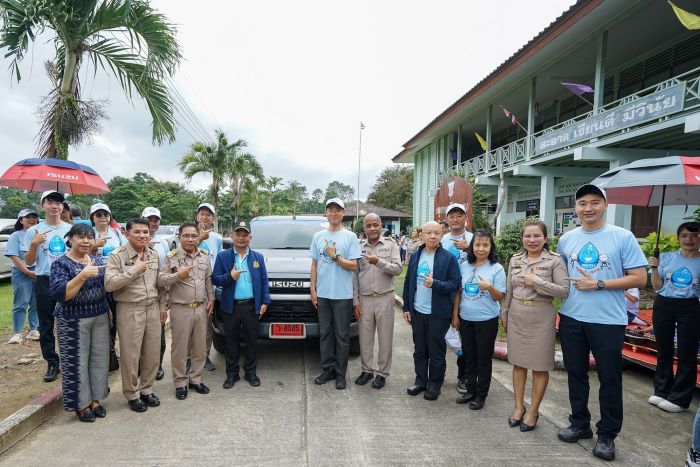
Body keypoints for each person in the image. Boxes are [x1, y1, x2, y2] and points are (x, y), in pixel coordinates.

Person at [555, 184, 647, 462]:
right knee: (576, 374)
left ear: (605, 205)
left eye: (595, 202)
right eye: (583, 203)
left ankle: (607, 434)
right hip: (571, 317)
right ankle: (579, 423)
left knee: (609, 378)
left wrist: (598, 283)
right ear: (576, 209)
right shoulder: (567, 240)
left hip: (608, 321)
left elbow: (639, 278)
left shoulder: (622, 236)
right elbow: (560, 277)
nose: (589, 208)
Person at [501, 219, 568, 430]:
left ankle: (533, 411)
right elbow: (509, 289)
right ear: (522, 238)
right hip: (517, 314)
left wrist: (537, 282)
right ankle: (519, 407)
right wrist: (504, 311)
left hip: (541, 315)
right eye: (527, 236)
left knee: (540, 367)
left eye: (537, 236)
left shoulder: (555, 261)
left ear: (545, 238)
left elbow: (563, 291)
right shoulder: (515, 259)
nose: (532, 240)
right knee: (518, 364)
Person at [105, 218, 166, 413]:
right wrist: (134, 270)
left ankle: (147, 389)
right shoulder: (117, 256)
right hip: (129, 308)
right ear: (126, 233)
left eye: (145, 232)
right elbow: (110, 284)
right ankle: (132, 394)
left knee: (152, 352)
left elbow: (159, 284)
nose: (142, 235)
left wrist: (163, 307)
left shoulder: (153, 254)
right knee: (131, 355)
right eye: (137, 232)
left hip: (153, 308)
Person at [49, 223, 110, 422]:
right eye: (80, 236)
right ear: (70, 239)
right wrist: (82, 276)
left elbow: (103, 289)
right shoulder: (61, 263)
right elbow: (62, 295)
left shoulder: (96, 260)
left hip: (99, 315)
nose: (85, 241)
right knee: (76, 362)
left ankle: (95, 400)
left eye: (89, 237)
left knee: (99, 360)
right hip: (72, 320)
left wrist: (108, 310)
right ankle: (81, 405)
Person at [402, 221, 461, 401]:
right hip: (418, 312)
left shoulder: (448, 257)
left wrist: (435, 284)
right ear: (422, 235)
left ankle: (435, 384)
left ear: (442, 234)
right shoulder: (416, 255)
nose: (432, 236)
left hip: (439, 313)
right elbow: (408, 283)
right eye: (428, 233)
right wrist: (406, 307)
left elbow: (455, 284)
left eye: (436, 233)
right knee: (420, 349)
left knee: (436, 351)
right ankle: (421, 381)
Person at [647, 222, 700, 413]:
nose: (689, 240)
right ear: (678, 237)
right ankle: (662, 390)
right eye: (685, 235)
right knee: (664, 349)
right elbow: (656, 286)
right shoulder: (667, 258)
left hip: (691, 307)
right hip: (663, 304)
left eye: (695, 235)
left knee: (687, 352)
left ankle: (680, 398)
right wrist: (654, 268)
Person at [310, 198, 362, 390]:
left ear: (343, 213)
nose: (333, 213)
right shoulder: (318, 236)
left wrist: (335, 256)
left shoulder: (350, 237)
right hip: (323, 294)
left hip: (343, 295)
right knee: (325, 334)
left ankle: (341, 374)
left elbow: (354, 266)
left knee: (342, 336)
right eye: (330, 210)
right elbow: (314, 264)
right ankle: (327, 369)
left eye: (337, 210)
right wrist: (312, 289)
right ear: (326, 213)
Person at [158, 222, 215, 399]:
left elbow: (208, 280)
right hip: (180, 309)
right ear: (179, 237)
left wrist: (211, 298)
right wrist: (177, 275)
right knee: (180, 349)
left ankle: (196, 379)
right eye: (186, 235)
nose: (190, 239)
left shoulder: (204, 256)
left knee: (199, 348)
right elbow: (160, 280)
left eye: (193, 236)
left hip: (201, 308)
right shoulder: (171, 257)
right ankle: (180, 382)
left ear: (198, 237)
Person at [212, 221, 270, 389]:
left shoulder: (257, 257)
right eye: (238, 234)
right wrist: (230, 277)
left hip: (252, 306)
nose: (241, 238)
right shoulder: (224, 256)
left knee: (252, 341)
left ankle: (251, 372)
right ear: (232, 236)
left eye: (245, 235)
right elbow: (215, 278)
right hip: (231, 307)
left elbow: (264, 281)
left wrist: (265, 301)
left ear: (250, 238)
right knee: (231, 342)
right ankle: (232, 374)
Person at [452, 230, 505, 410]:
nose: (481, 249)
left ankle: (481, 395)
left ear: (491, 247)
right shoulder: (465, 265)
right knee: (469, 357)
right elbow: (459, 291)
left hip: (487, 320)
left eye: (485, 245)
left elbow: (500, 296)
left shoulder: (496, 268)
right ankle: (470, 390)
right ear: (471, 247)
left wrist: (488, 287)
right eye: (477, 245)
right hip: (465, 318)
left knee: (483, 358)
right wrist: (455, 315)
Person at [22, 191, 72, 382]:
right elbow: (28, 262)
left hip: (67, 280)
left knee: (69, 321)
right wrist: (34, 244)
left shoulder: (70, 229)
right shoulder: (33, 231)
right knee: (46, 325)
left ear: (62, 207)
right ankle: (52, 361)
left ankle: (70, 359)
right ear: (42, 205)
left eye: (58, 203)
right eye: (50, 202)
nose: (55, 206)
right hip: (44, 280)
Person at [352, 214, 402, 389]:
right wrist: (355, 301)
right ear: (364, 228)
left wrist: (378, 261)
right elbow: (354, 276)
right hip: (365, 299)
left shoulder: (390, 244)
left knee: (385, 338)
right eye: (369, 225)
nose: (372, 228)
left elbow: (398, 269)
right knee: (364, 338)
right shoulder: (358, 248)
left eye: (375, 225)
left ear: (381, 226)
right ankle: (367, 370)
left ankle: (382, 373)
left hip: (385, 297)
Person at [89, 203, 127, 371]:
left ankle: (113, 350)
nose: (103, 217)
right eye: (99, 214)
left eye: (105, 214)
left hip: (115, 280)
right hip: (96, 282)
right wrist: (94, 245)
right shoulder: (88, 233)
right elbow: (81, 254)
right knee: (103, 320)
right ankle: (104, 353)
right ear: (93, 218)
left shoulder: (116, 233)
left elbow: (126, 250)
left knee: (117, 317)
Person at [441, 202, 475, 393]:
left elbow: (487, 256)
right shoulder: (443, 239)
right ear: (447, 219)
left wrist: (468, 248)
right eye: (451, 216)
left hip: (469, 295)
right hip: (446, 294)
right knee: (443, 336)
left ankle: (464, 376)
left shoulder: (473, 238)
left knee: (466, 338)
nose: (455, 219)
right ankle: (438, 375)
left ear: (465, 217)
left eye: (459, 215)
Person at [142, 206, 171, 381]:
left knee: (158, 332)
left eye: (155, 220)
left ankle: (157, 365)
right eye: (149, 220)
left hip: (158, 292)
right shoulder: (131, 240)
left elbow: (167, 268)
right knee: (139, 333)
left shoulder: (163, 243)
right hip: (138, 293)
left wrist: (167, 292)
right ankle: (141, 365)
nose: (152, 224)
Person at [195, 202, 223, 372]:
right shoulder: (188, 232)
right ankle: (190, 358)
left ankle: (204, 356)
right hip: (188, 284)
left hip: (208, 285)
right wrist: (198, 238)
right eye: (202, 214)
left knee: (206, 324)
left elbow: (218, 261)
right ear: (197, 216)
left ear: (213, 218)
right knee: (189, 325)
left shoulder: (217, 238)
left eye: (208, 214)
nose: (205, 217)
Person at [5, 209, 40, 344]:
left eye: (34, 217)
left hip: (37, 271)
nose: (32, 220)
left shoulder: (39, 234)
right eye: (28, 218)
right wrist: (27, 271)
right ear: (20, 220)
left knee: (35, 302)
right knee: (20, 303)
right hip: (21, 272)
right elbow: (14, 256)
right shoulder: (16, 235)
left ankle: (33, 329)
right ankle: (17, 332)